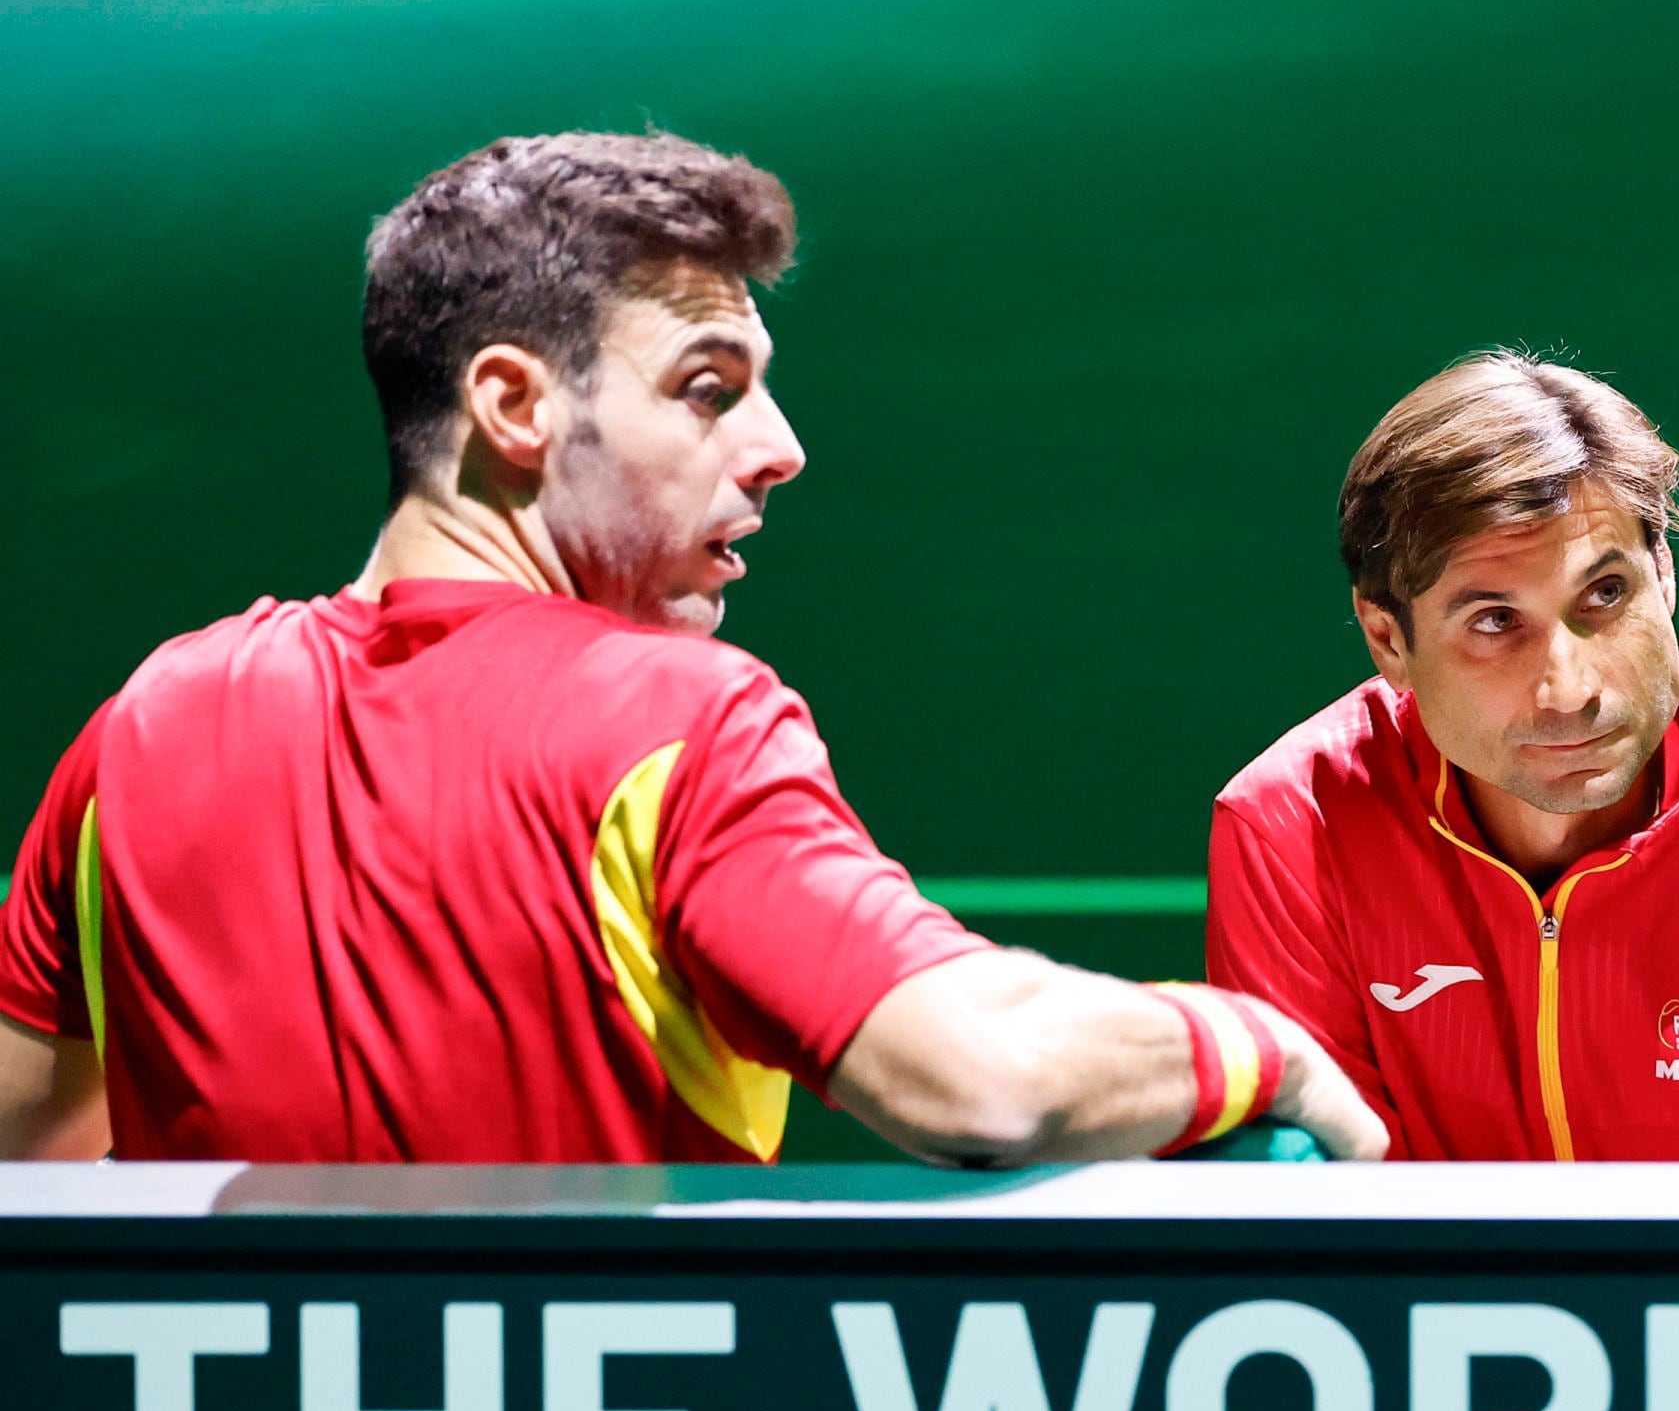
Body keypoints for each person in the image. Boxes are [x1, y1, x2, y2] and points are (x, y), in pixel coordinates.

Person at [0, 131, 1378, 1166]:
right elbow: (982, 1075)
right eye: (709, 389)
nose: (781, 449)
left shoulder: (140, 729)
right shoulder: (672, 721)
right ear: (515, 404)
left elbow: (32, 1171)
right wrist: (1259, 1043)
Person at [1208, 353, 1679, 1159]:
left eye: (1605, 593)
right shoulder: (1290, 830)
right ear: (1388, 639)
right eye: (1496, 622)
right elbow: (1321, 1209)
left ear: (1665, 576)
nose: (1569, 690)